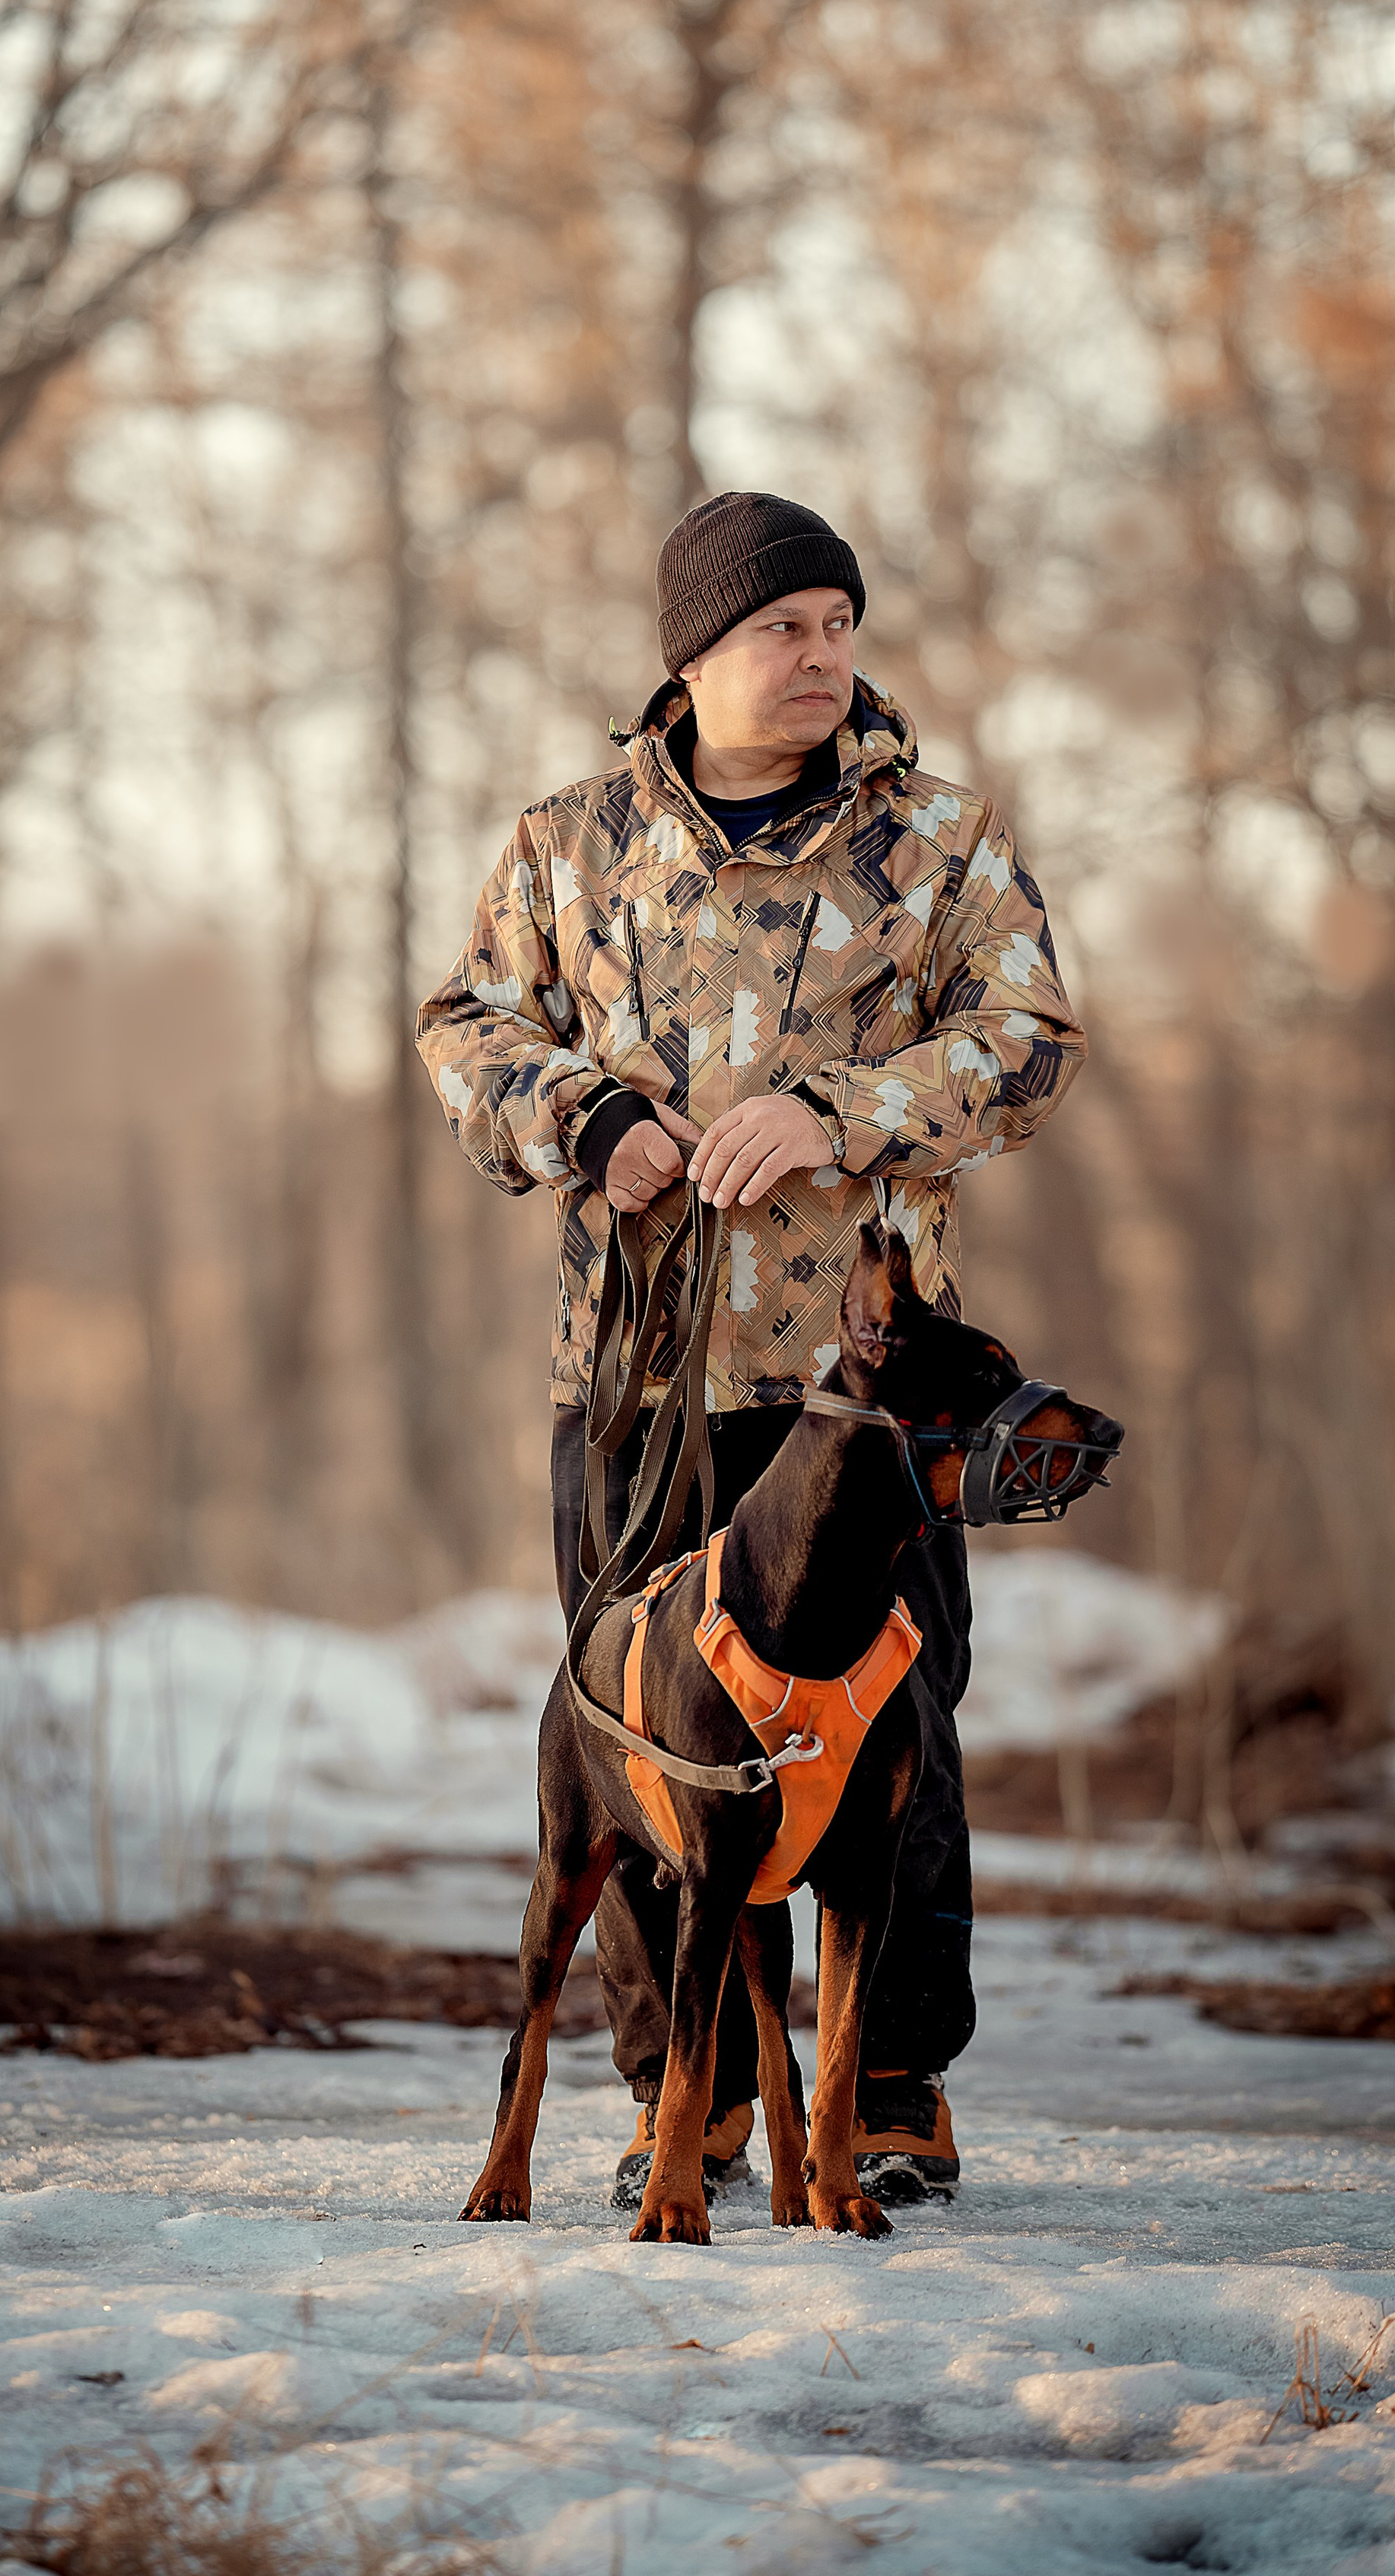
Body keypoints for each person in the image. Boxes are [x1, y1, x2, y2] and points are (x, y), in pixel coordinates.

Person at [418, 489, 1085, 2206]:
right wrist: (582, 1121)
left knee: (891, 1730)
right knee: (637, 1736)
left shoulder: (934, 838)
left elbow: (1026, 1039)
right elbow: (463, 1028)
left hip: (856, 1404)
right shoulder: (564, 846)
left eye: (838, 625)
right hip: (635, 1390)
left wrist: (839, 1113)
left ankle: (887, 2093)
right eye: (784, 627)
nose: (821, 656)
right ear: (695, 653)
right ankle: (687, 2095)